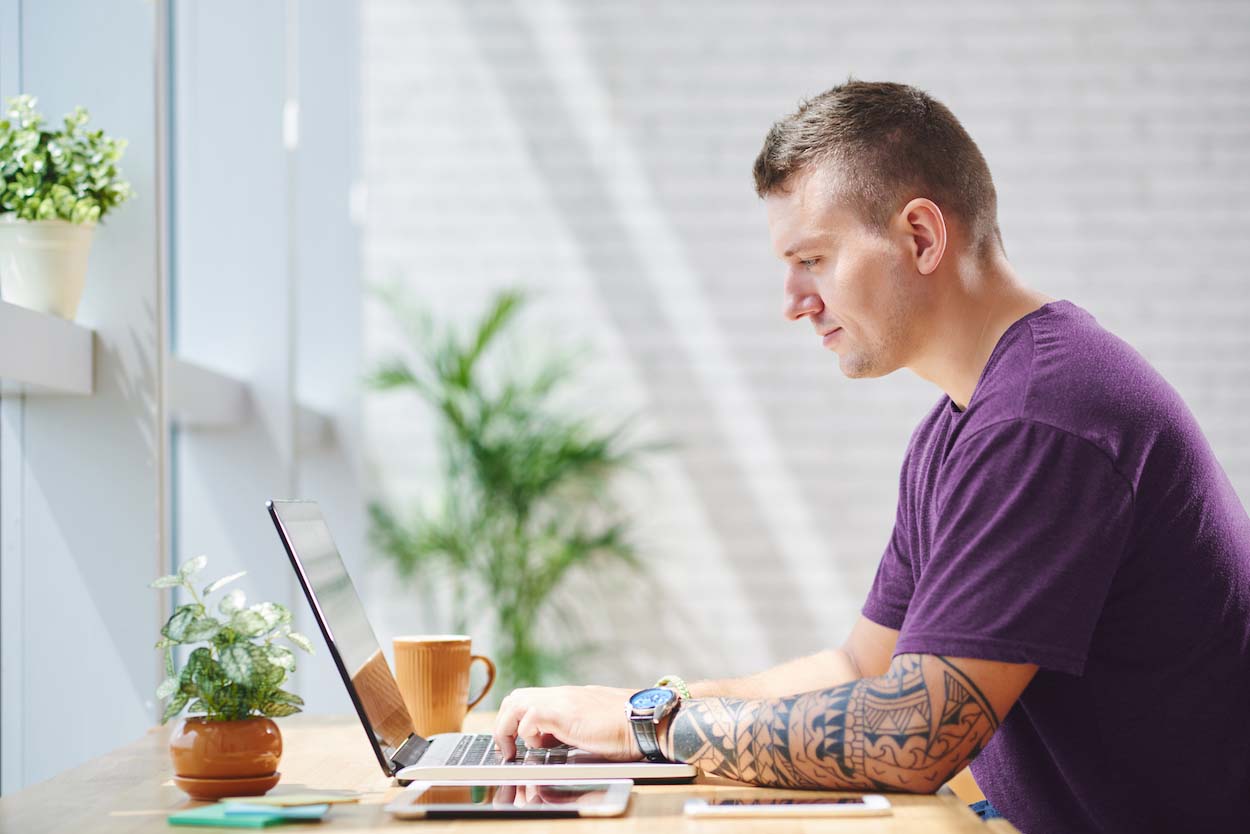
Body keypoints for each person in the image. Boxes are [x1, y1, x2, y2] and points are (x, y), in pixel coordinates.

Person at [491, 80, 1250, 834]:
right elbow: (862, 669)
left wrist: (645, 734)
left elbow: (913, 734)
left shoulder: (1044, 419)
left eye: (813, 259)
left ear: (921, 236)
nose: (792, 299)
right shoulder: (966, 423)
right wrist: (646, 710)